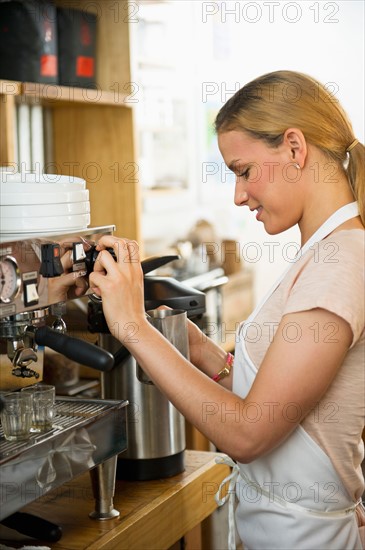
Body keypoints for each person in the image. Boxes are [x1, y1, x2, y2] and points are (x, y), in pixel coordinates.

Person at [89, 70, 365, 550]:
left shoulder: (339, 262)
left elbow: (248, 433)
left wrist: (132, 326)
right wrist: (192, 343)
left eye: (243, 170)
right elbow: (281, 401)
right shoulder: (326, 253)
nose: (238, 195)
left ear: (295, 149)